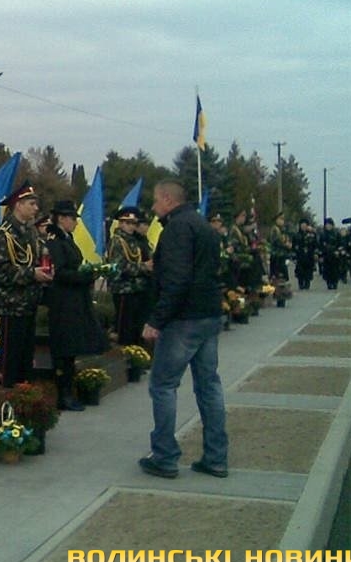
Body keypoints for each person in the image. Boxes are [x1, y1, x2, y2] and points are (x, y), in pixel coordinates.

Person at [139, 180, 227, 479]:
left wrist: (156, 320)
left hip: (183, 318)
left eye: (155, 200)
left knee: (163, 385)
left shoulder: (176, 229)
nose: (153, 207)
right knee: (209, 386)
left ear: (167, 199)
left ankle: (165, 457)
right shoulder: (204, 226)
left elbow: (178, 280)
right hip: (209, 314)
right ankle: (216, 457)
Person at [0, 181, 52, 387]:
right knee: (11, 361)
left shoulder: (30, 232)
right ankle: (9, 399)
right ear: (18, 205)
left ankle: (25, 397)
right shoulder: (3, 235)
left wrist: (46, 269)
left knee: (26, 360)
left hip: (29, 303)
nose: (36, 208)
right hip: (12, 306)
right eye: (31, 204)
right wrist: (32, 274)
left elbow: (37, 259)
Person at [46, 200, 109, 411]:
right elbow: (60, 272)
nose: (75, 222)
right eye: (72, 218)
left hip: (73, 299)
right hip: (63, 301)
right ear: (61, 219)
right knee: (64, 349)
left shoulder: (67, 238)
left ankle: (68, 392)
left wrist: (90, 271)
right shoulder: (55, 241)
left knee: (71, 349)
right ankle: (63, 395)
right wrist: (85, 275)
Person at [107, 206, 154, 350]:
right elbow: (119, 267)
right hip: (124, 290)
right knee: (125, 329)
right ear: (120, 223)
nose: (131, 227)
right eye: (128, 223)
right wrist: (144, 267)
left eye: (134, 223)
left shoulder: (133, 240)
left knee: (136, 328)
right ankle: (126, 357)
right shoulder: (118, 241)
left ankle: (136, 356)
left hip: (137, 289)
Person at [292, 219, 318, 290]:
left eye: (305, 225)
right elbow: (293, 247)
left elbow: (315, 244)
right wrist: (294, 257)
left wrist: (315, 254)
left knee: (308, 271)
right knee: (300, 271)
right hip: (300, 256)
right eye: (302, 225)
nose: (303, 227)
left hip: (309, 256)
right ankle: (301, 283)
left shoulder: (312, 235)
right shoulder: (296, 235)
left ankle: (307, 283)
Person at [268, 213, 292, 281]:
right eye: (281, 219)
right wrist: (286, 244)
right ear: (276, 220)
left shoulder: (282, 230)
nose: (282, 221)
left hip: (282, 255)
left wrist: (288, 243)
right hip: (276, 255)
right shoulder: (275, 229)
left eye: (283, 219)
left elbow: (286, 238)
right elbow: (276, 241)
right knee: (277, 275)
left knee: (282, 275)